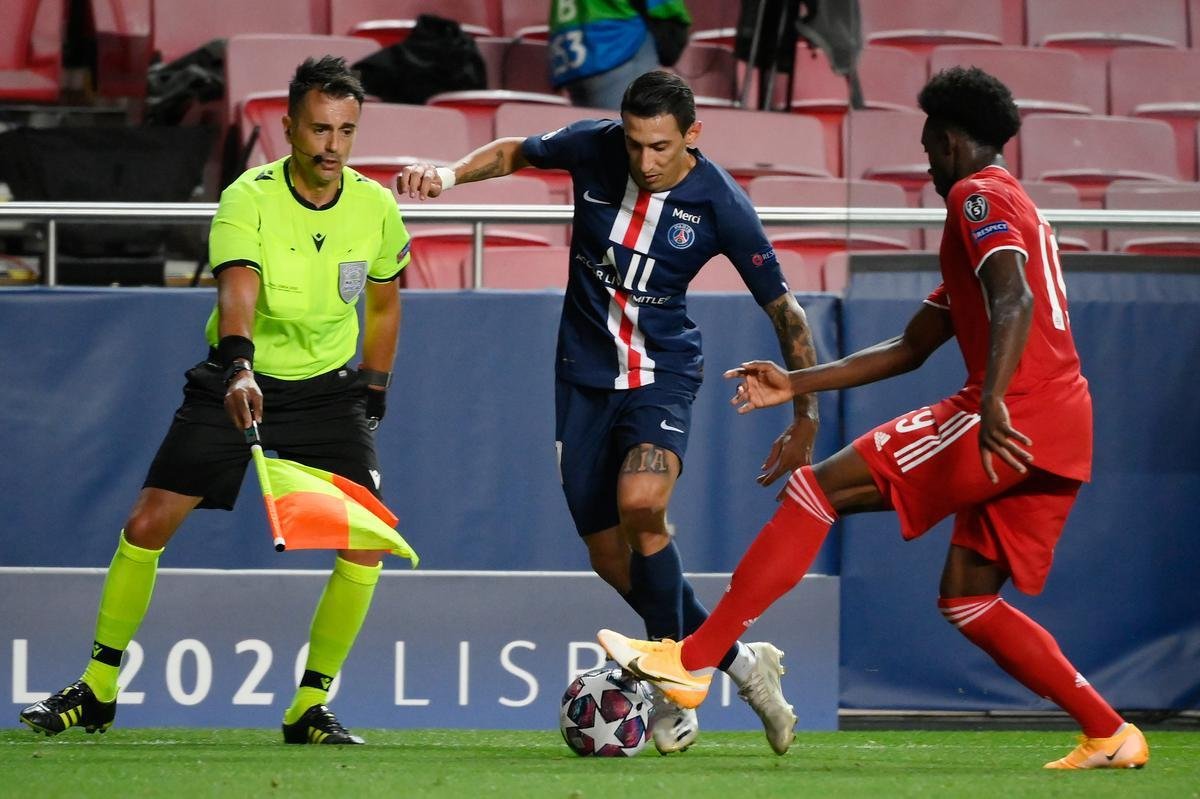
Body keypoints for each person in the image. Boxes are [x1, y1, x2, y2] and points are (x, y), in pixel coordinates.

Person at [598, 66, 1151, 770]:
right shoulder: (1014, 211)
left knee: (815, 489)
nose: (924, 163)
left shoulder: (978, 199)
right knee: (968, 599)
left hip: (1013, 412)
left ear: (949, 141)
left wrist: (990, 402)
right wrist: (792, 380)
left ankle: (692, 661)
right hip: (1064, 426)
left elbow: (1014, 303)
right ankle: (1110, 731)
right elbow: (910, 347)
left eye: (926, 148)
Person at [398, 70, 818, 755]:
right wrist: (447, 175)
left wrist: (806, 417)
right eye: (634, 144)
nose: (645, 161)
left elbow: (787, 311)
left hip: (662, 375)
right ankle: (739, 661)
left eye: (660, 147)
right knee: (604, 550)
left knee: (642, 504)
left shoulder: (721, 204)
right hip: (583, 380)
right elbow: (514, 152)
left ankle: (667, 681)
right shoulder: (594, 148)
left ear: (691, 136)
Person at [19, 56, 411, 746]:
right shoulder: (248, 197)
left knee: (365, 542)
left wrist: (373, 388)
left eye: (346, 131)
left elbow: (383, 304)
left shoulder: (375, 207)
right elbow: (238, 291)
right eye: (319, 129)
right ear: (288, 126)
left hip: (328, 391)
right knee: (147, 522)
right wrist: (238, 369)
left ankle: (309, 705)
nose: (332, 145)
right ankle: (100, 686)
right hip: (239, 377)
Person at [549, 0, 691, 109]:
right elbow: (668, 9)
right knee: (620, 136)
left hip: (571, 59)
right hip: (618, 51)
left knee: (588, 138)